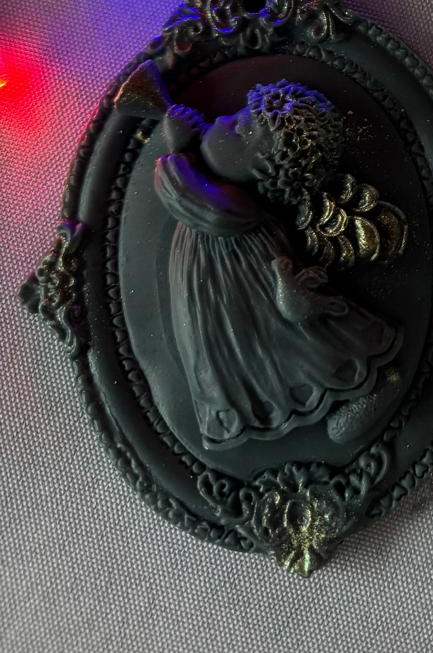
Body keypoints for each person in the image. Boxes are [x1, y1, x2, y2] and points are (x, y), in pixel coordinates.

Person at [119, 68, 402, 451]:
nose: (222, 120)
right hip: (221, 299)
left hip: (245, 303)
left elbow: (185, 196)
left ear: (263, 169)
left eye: (239, 128)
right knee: (240, 359)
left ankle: (370, 387)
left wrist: (177, 149)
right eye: (235, 116)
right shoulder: (231, 190)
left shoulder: (237, 207)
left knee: (290, 351)